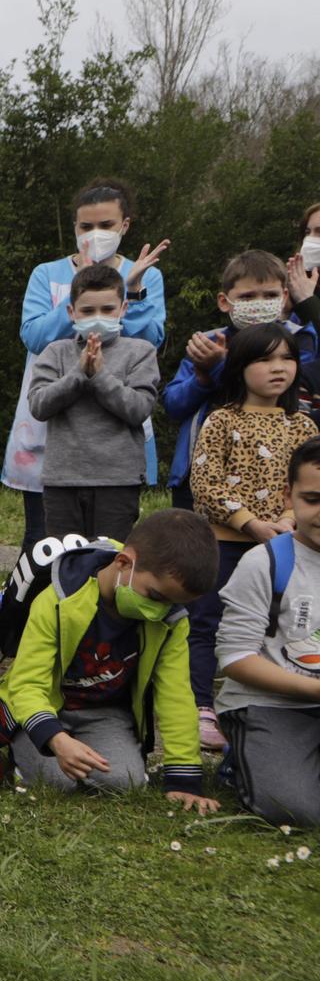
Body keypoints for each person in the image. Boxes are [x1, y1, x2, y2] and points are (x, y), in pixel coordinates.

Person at [0, 508, 218, 810]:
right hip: (43, 706)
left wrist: (184, 778)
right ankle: (21, 751)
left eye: (172, 604)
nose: (160, 611)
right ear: (123, 562)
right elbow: (26, 684)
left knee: (124, 781)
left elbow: (176, 695)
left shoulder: (171, 619)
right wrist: (56, 739)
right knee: (58, 782)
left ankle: (74, 749)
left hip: (104, 713)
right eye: (156, 597)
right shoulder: (57, 598)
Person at [4, 178, 168, 552]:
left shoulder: (146, 273)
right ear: (75, 227)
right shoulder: (46, 273)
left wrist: (134, 291)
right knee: (43, 540)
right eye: (86, 226)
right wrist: (82, 291)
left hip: (114, 442)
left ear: (125, 225)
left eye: (106, 225)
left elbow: (150, 339)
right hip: (56, 425)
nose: (96, 234)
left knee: (109, 546)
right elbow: (34, 336)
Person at [184, 323, 318, 750]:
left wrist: (286, 520)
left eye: (287, 358)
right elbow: (205, 483)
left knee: (273, 623)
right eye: (264, 359)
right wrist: (249, 523)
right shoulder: (222, 419)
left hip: (283, 545)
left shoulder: (303, 426)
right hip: (224, 541)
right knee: (206, 622)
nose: (278, 368)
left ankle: (265, 699)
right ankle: (200, 705)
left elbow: (305, 486)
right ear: (239, 367)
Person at [214, 436, 320, 826]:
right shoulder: (264, 562)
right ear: (288, 496)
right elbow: (235, 658)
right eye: (313, 499)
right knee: (294, 810)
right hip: (269, 703)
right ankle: (242, 761)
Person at [164, 251, 317, 515]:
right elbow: (173, 405)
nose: (259, 303)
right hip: (203, 472)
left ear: (284, 297)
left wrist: (219, 367)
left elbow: (284, 390)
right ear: (224, 302)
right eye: (247, 297)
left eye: (269, 295)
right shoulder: (207, 343)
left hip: (274, 475)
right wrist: (202, 379)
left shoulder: (299, 340)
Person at [27, 263, 159, 543]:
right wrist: (78, 374)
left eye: (107, 309)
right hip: (63, 480)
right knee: (65, 561)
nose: (98, 318)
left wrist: (99, 376)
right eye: (87, 311)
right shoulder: (55, 352)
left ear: (123, 308)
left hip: (118, 481)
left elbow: (139, 409)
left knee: (109, 560)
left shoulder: (140, 352)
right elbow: (38, 405)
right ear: (71, 312)